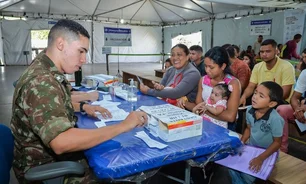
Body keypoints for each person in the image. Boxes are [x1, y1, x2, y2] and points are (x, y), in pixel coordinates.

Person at [10, 19, 148, 183]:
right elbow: (62, 142)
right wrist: (123, 126)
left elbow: (51, 106)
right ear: (61, 44)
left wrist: (83, 107)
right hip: (47, 167)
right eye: (81, 51)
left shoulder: (44, 68)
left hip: (45, 158)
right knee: (116, 168)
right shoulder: (41, 82)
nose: (84, 59)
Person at [230, 81, 284, 184]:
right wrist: (242, 142)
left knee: (248, 175)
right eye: (255, 93)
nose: (255, 97)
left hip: (268, 153)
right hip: (251, 148)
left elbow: (277, 143)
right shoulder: (250, 110)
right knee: (230, 165)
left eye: (261, 96)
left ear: (272, 103)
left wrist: (260, 158)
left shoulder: (275, 119)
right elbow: (248, 129)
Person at [177, 46, 241, 130]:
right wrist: (184, 102)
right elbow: (198, 105)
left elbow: (230, 117)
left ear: (223, 66)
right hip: (205, 123)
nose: (207, 70)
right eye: (205, 66)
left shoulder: (232, 83)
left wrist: (204, 110)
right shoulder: (203, 80)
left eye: (211, 67)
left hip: (224, 127)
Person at [240, 39, 295, 106]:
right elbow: (251, 86)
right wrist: (243, 97)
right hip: (261, 100)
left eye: (268, 51)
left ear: (276, 51)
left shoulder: (287, 66)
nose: (264, 54)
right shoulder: (257, 66)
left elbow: (285, 93)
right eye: (262, 52)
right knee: (243, 102)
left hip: (280, 101)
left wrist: (265, 103)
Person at [276, 68, 306, 153]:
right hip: (303, 108)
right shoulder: (305, 73)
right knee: (282, 110)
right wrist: (297, 110)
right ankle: (282, 149)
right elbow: (294, 97)